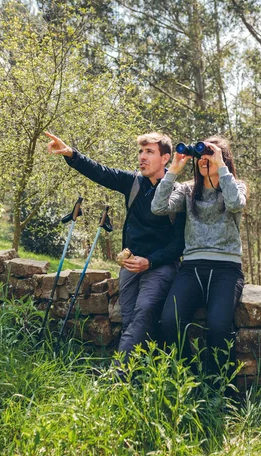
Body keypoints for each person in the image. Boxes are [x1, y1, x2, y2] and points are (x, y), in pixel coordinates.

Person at [45, 131, 185, 362]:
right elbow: (100, 172)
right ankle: (139, 375)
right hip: (130, 265)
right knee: (129, 319)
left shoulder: (179, 193)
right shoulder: (133, 183)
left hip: (160, 267)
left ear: (166, 158)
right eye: (141, 151)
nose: (142, 157)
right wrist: (70, 153)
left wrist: (150, 262)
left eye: (149, 152)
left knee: (144, 312)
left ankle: (119, 375)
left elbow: (180, 243)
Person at [151, 136, 246, 376]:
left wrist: (221, 166)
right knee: (170, 321)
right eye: (201, 158)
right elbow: (158, 207)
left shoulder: (235, 186)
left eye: (210, 156)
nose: (204, 161)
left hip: (226, 268)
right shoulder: (187, 190)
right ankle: (188, 376)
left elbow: (235, 204)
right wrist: (173, 169)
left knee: (218, 326)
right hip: (192, 267)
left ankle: (218, 386)